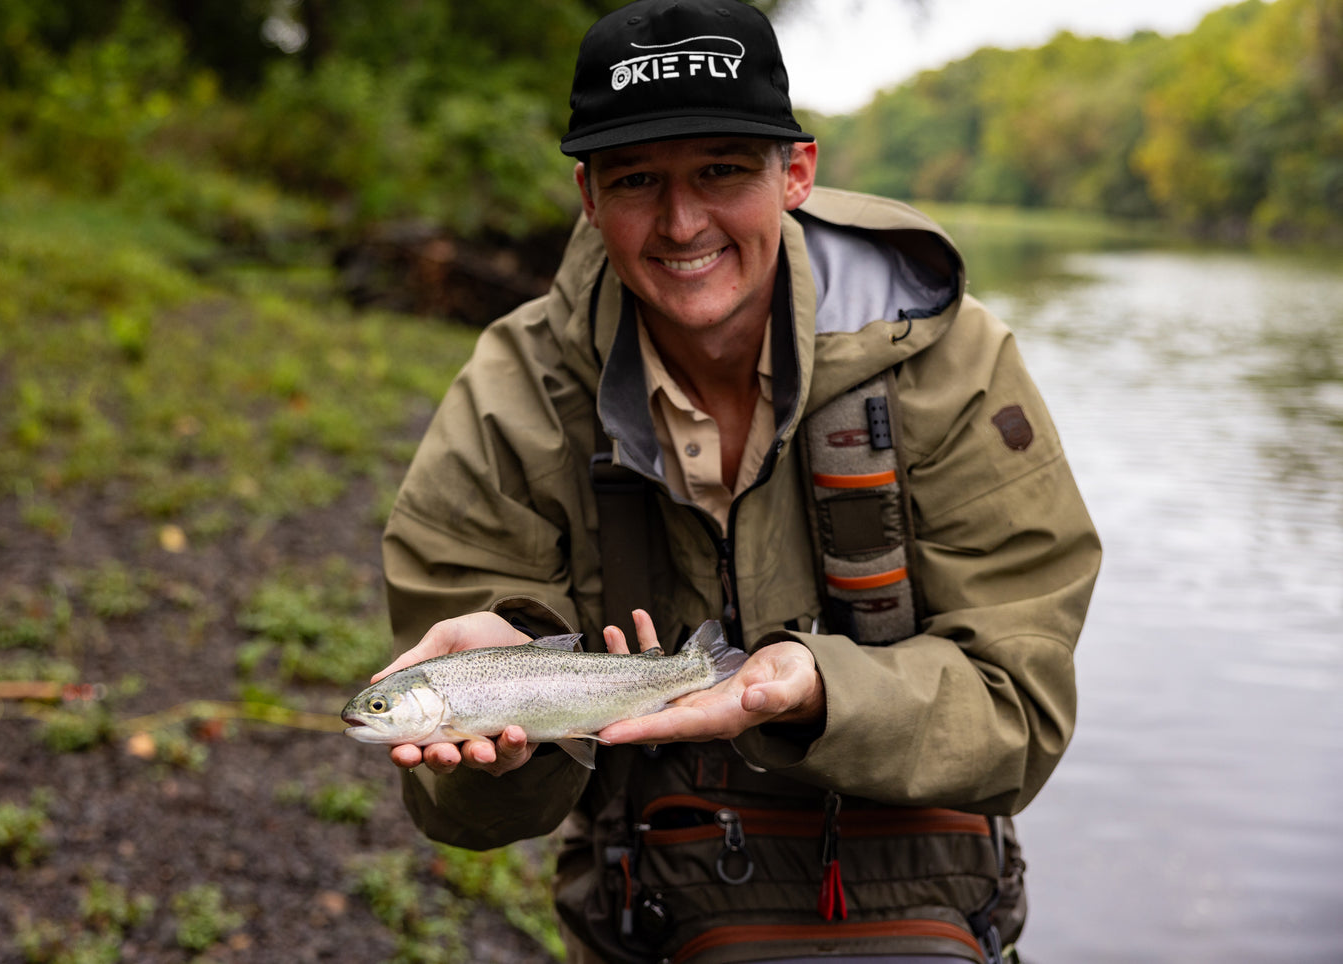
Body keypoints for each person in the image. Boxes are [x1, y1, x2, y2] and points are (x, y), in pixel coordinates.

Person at [373, 1, 1101, 961]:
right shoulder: (514, 395)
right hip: (653, 899)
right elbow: (463, 813)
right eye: (638, 180)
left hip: (928, 892)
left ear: (794, 173)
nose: (682, 223)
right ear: (589, 197)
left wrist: (814, 691)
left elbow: (1020, 711)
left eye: (721, 169)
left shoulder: (949, 361)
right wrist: (499, 717)